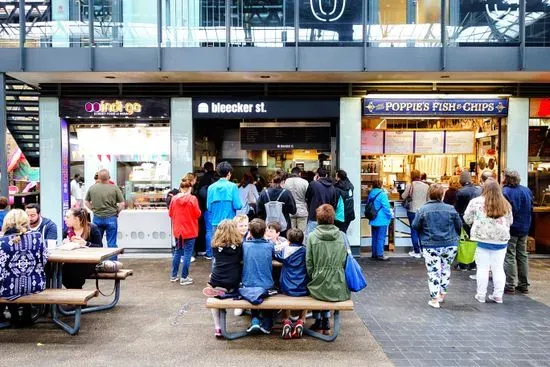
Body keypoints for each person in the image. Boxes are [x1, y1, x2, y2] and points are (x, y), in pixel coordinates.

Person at [412, 184, 462, 309]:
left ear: (429, 194)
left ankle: (434, 299)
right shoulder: (450, 209)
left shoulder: (422, 210)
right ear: (442, 194)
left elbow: (415, 225)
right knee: (446, 268)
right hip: (449, 244)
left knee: (433, 271)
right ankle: (442, 294)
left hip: (430, 244)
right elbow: (459, 225)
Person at [464, 179, 513, 304]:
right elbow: (510, 221)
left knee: (482, 268)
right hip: (500, 240)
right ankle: (498, 296)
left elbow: (467, 218)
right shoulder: (505, 204)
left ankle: (481, 295)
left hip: (481, 239)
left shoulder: (475, 202)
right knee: (498, 268)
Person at [306, 204, 350, 335]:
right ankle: (325, 320)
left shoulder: (312, 236)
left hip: (318, 283)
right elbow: (346, 259)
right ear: (333, 218)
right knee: (326, 285)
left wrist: (313, 275)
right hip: (339, 284)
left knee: (315, 286)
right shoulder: (342, 235)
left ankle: (319, 320)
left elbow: (309, 262)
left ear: (318, 219)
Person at [0, 209, 47, 327]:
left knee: (9, 279)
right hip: (35, 285)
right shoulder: (37, 237)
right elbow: (44, 260)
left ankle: (14, 317)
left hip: (7, 289)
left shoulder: (2, 242)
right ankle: (27, 316)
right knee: (23, 279)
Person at [202, 220, 243, 338]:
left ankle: (217, 327)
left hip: (217, 278)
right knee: (235, 287)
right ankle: (227, 294)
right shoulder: (239, 246)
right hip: (234, 279)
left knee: (214, 299)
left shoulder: (214, 245)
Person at [502, 169, 533, 295]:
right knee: (522, 255)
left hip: (511, 227)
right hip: (524, 227)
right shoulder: (527, 190)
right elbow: (531, 207)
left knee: (509, 255)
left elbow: (504, 211)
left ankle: (510, 285)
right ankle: (524, 284)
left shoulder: (505, 192)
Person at [241, 219, 275, 334]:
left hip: (248, 283)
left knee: (252, 292)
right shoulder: (269, 246)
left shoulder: (245, 245)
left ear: (250, 232)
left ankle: (255, 319)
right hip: (267, 284)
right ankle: (267, 322)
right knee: (266, 292)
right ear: (265, 231)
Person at [274, 228, 309, 340]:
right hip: (303, 287)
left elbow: (276, 255)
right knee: (307, 295)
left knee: (283, 294)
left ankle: (286, 320)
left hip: (287, 287)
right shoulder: (305, 251)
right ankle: (301, 320)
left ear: (288, 240)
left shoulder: (285, 251)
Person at [168, 174, 201, 285]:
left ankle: (173, 276)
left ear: (180, 188)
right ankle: (184, 277)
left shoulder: (174, 199)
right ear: (190, 188)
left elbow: (170, 214)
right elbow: (198, 214)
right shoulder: (193, 199)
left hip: (178, 231)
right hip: (190, 230)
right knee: (187, 254)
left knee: (177, 252)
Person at [85, 169, 125, 258]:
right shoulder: (114, 188)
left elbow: (86, 202)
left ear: (98, 177)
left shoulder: (92, 188)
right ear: (109, 177)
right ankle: (112, 265)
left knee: (97, 243)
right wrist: (116, 212)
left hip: (97, 218)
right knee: (112, 244)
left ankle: (97, 265)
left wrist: (93, 210)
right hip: (111, 218)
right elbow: (122, 204)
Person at [61, 208, 103, 289]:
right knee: (63, 272)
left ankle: (75, 297)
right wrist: (65, 243)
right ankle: (75, 296)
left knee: (74, 271)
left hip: (89, 261)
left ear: (76, 219)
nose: (65, 219)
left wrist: (86, 243)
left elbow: (100, 247)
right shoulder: (67, 230)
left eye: (67, 217)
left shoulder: (92, 228)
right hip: (72, 261)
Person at [206, 162, 242, 241]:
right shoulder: (233, 186)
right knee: (230, 247)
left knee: (217, 248)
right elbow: (238, 206)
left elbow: (209, 207)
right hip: (229, 224)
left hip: (216, 223)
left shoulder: (211, 187)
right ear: (229, 173)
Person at [454, 171, 482, 272]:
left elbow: (457, 208)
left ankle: (464, 263)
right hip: (476, 219)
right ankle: (473, 263)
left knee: (464, 242)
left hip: (464, 219)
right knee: (474, 241)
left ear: (461, 180)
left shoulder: (460, 192)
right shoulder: (478, 190)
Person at [401, 170, 429, 258]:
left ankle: (417, 251)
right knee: (422, 231)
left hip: (412, 211)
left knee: (414, 231)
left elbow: (403, 196)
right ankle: (424, 251)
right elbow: (429, 199)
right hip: (423, 211)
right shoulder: (426, 186)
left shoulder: (410, 185)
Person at [305, 167, 339, 237]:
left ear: (317, 175)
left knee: (310, 238)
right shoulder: (332, 187)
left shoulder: (313, 184)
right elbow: (334, 203)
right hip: (327, 218)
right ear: (326, 175)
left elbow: (307, 197)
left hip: (314, 216)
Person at [368, 180, 393, 261]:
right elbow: (386, 207)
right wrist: (390, 215)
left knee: (374, 237)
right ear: (381, 185)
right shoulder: (382, 194)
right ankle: (380, 254)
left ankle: (374, 253)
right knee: (381, 237)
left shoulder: (371, 193)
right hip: (382, 219)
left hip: (373, 217)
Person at [197, 162, 217, 259]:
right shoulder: (216, 178)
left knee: (209, 230)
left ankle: (209, 253)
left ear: (205, 169)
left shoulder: (203, 179)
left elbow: (200, 194)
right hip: (217, 207)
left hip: (206, 208)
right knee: (218, 230)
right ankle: (217, 251)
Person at [283, 167, 309, 233]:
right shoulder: (305, 182)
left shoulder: (286, 182)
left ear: (291, 173)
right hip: (302, 210)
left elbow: (283, 195)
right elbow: (308, 196)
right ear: (299, 173)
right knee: (302, 233)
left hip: (290, 210)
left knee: (291, 233)